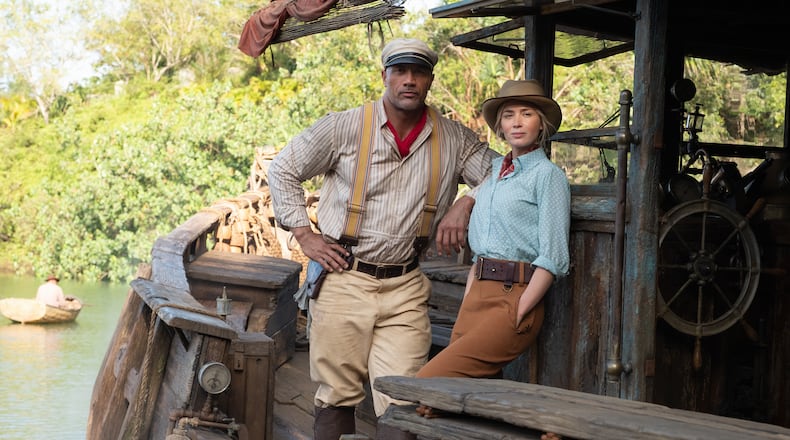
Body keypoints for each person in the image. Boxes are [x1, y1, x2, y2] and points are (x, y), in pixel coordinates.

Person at [267, 38, 498, 440]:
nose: (409, 81)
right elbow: (283, 169)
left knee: (403, 397)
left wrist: (467, 202)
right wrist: (304, 235)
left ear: (429, 80)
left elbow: (506, 172)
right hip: (344, 276)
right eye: (400, 71)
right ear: (385, 76)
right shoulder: (345, 126)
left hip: (406, 284)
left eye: (419, 72)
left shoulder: (454, 139)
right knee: (336, 395)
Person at [413, 80, 571, 439]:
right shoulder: (495, 174)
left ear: (541, 124)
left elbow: (554, 255)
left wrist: (522, 307)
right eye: (509, 115)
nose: (517, 122)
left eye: (526, 114)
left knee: (425, 386)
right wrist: (470, 296)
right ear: (499, 126)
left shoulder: (548, 177)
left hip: (514, 297)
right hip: (477, 295)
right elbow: (481, 248)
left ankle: (556, 425)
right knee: (473, 405)